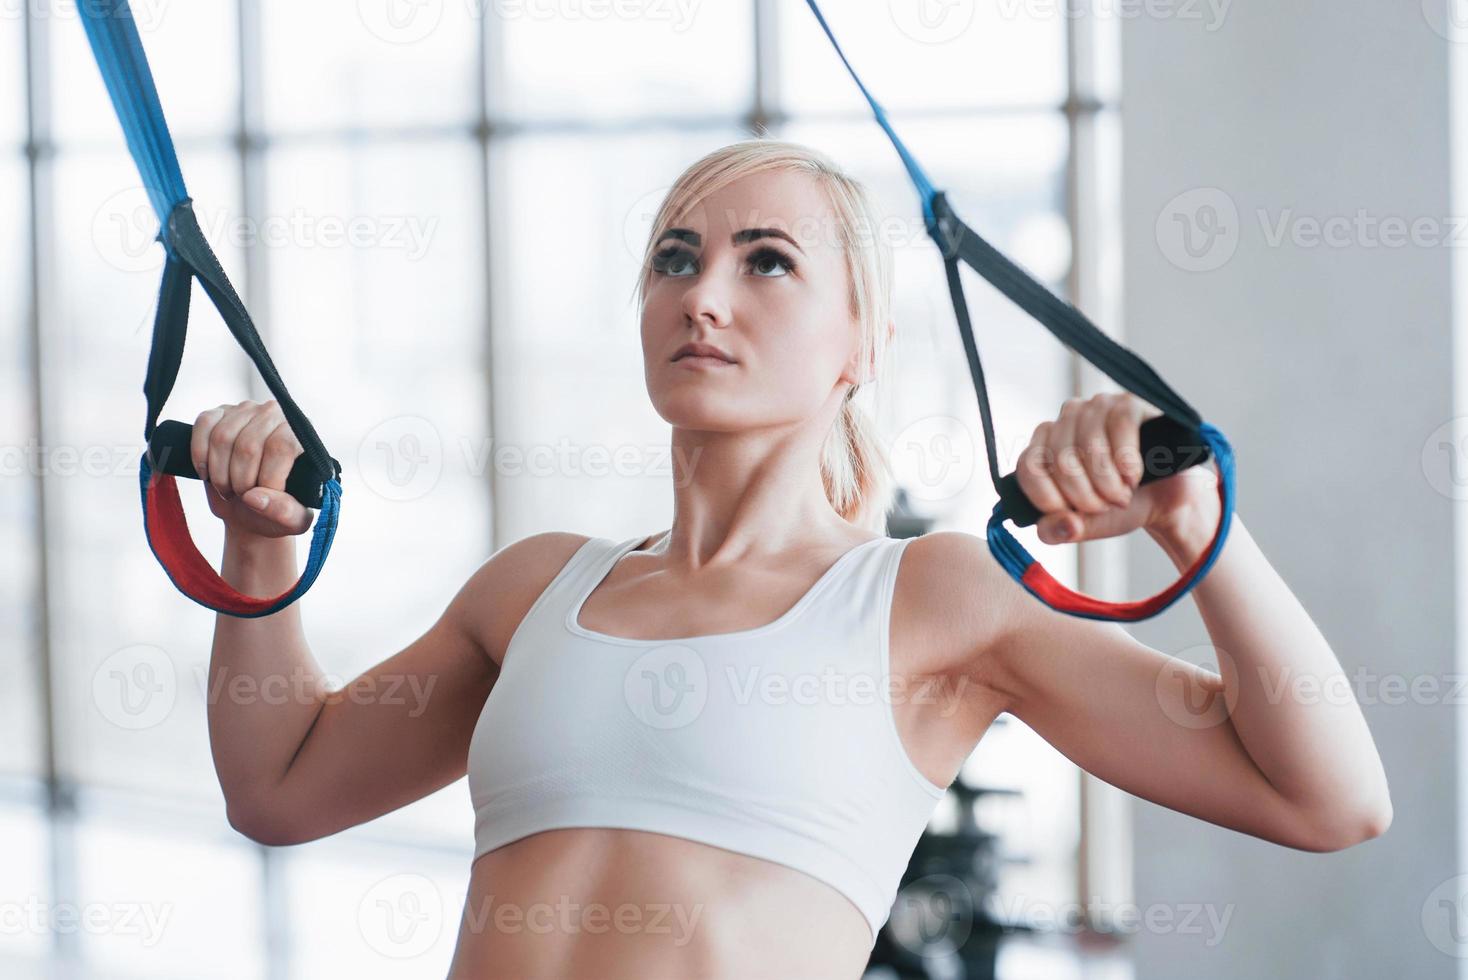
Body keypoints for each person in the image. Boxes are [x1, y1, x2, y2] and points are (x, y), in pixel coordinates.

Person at [193, 138, 1391, 979]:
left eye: (766, 260)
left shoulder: (928, 599)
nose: (703, 296)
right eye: (675, 258)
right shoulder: (535, 584)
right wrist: (256, 552)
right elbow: (282, 787)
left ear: (857, 341)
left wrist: (1200, 532)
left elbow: (1328, 799)